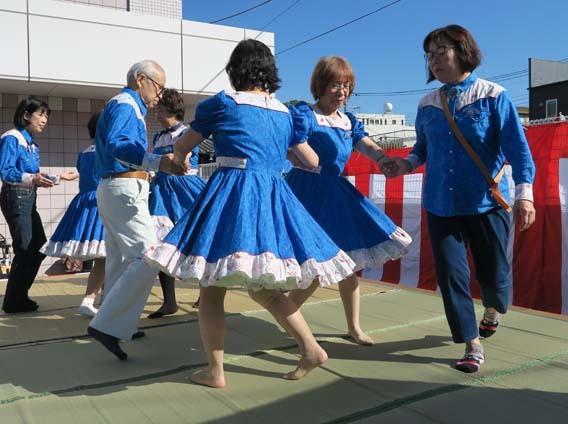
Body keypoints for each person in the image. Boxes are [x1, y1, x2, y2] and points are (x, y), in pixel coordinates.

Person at [145, 39, 357, 388]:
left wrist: (179, 162)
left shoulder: (224, 103)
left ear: (235, 69)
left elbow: (183, 147)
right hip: (273, 198)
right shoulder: (284, 112)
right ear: (270, 72)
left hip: (232, 195)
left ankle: (215, 372)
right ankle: (310, 348)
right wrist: (276, 155)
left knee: (212, 287)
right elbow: (312, 161)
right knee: (264, 288)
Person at [384, 24, 536, 373]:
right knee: (451, 273)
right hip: (440, 204)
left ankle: (493, 309)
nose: (434, 60)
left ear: (462, 51)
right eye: (429, 55)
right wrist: (403, 164)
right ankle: (471, 343)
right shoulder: (426, 104)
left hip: (486, 201)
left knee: (495, 277)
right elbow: (421, 151)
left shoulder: (494, 96)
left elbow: (519, 149)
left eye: (441, 52)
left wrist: (524, 196)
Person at [285, 56, 412, 345]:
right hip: (306, 191)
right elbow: (292, 142)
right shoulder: (304, 114)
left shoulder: (348, 120)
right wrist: (299, 154)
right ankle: (286, 311)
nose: (341, 91)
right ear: (320, 86)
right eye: (334, 84)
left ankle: (354, 327)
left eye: (346, 85)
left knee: (349, 261)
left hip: (337, 193)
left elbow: (363, 142)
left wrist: (381, 159)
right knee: (319, 263)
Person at [87, 60, 179, 351]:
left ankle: (114, 323)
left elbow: (115, 144)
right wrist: (158, 161)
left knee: (120, 260)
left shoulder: (122, 105)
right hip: (124, 187)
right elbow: (119, 143)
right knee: (149, 256)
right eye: (159, 88)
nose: (160, 96)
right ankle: (108, 325)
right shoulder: (127, 106)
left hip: (114, 187)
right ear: (142, 80)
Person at [0, 96, 76, 313]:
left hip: (27, 198)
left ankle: (19, 296)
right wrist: (32, 179)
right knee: (24, 249)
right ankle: (13, 301)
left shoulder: (32, 143)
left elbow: (34, 175)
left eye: (46, 116)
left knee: (39, 246)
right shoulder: (12, 137)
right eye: (40, 115)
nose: (44, 120)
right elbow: (6, 172)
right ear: (26, 115)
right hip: (15, 196)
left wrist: (59, 177)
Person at [147, 88, 206, 318]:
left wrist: (176, 160)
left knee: (198, 241)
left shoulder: (188, 131)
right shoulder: (158, 136)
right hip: (162, 191)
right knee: (163, 244)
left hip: (185, 190)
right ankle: (169, 301)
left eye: (160, 110)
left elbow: (186, 163)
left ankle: (206, 295)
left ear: (172, 109)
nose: (157, 115)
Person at [40, 112, 106, 317]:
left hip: (84, 203)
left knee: (103, 258)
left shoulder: (84, 153)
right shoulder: (108, 152)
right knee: (110, 256)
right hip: (104, 202)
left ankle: (92, 299)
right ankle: (105, 301)